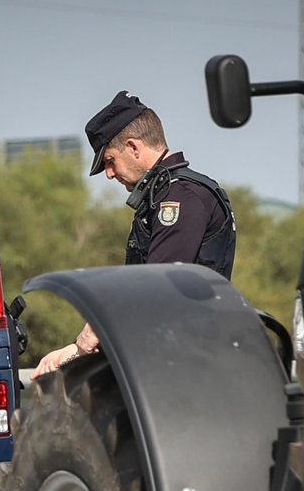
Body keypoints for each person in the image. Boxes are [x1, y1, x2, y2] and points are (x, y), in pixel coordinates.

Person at [33, 91, 237, 377]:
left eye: (109, 160)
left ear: (133, 147)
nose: (109, 174)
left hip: (188, 364)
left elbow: (153, 287)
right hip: (171, 355)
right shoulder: (163, 196)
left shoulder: (181, 197)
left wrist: (87, 340)